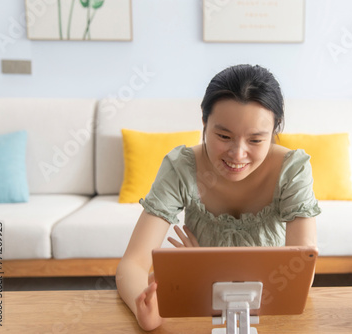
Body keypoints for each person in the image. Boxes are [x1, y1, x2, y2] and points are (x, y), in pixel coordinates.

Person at [116, 64, 321, 331]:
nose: (237, 154)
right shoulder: (181, 167)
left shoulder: (292, 170)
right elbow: (132, 264)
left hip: (269, 314)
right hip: (195, 311)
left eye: (256, 140)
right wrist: (143, 308)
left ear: (274, 131)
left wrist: (201, 269)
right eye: (224, 136)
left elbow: (300, 267)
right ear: (204, 123)